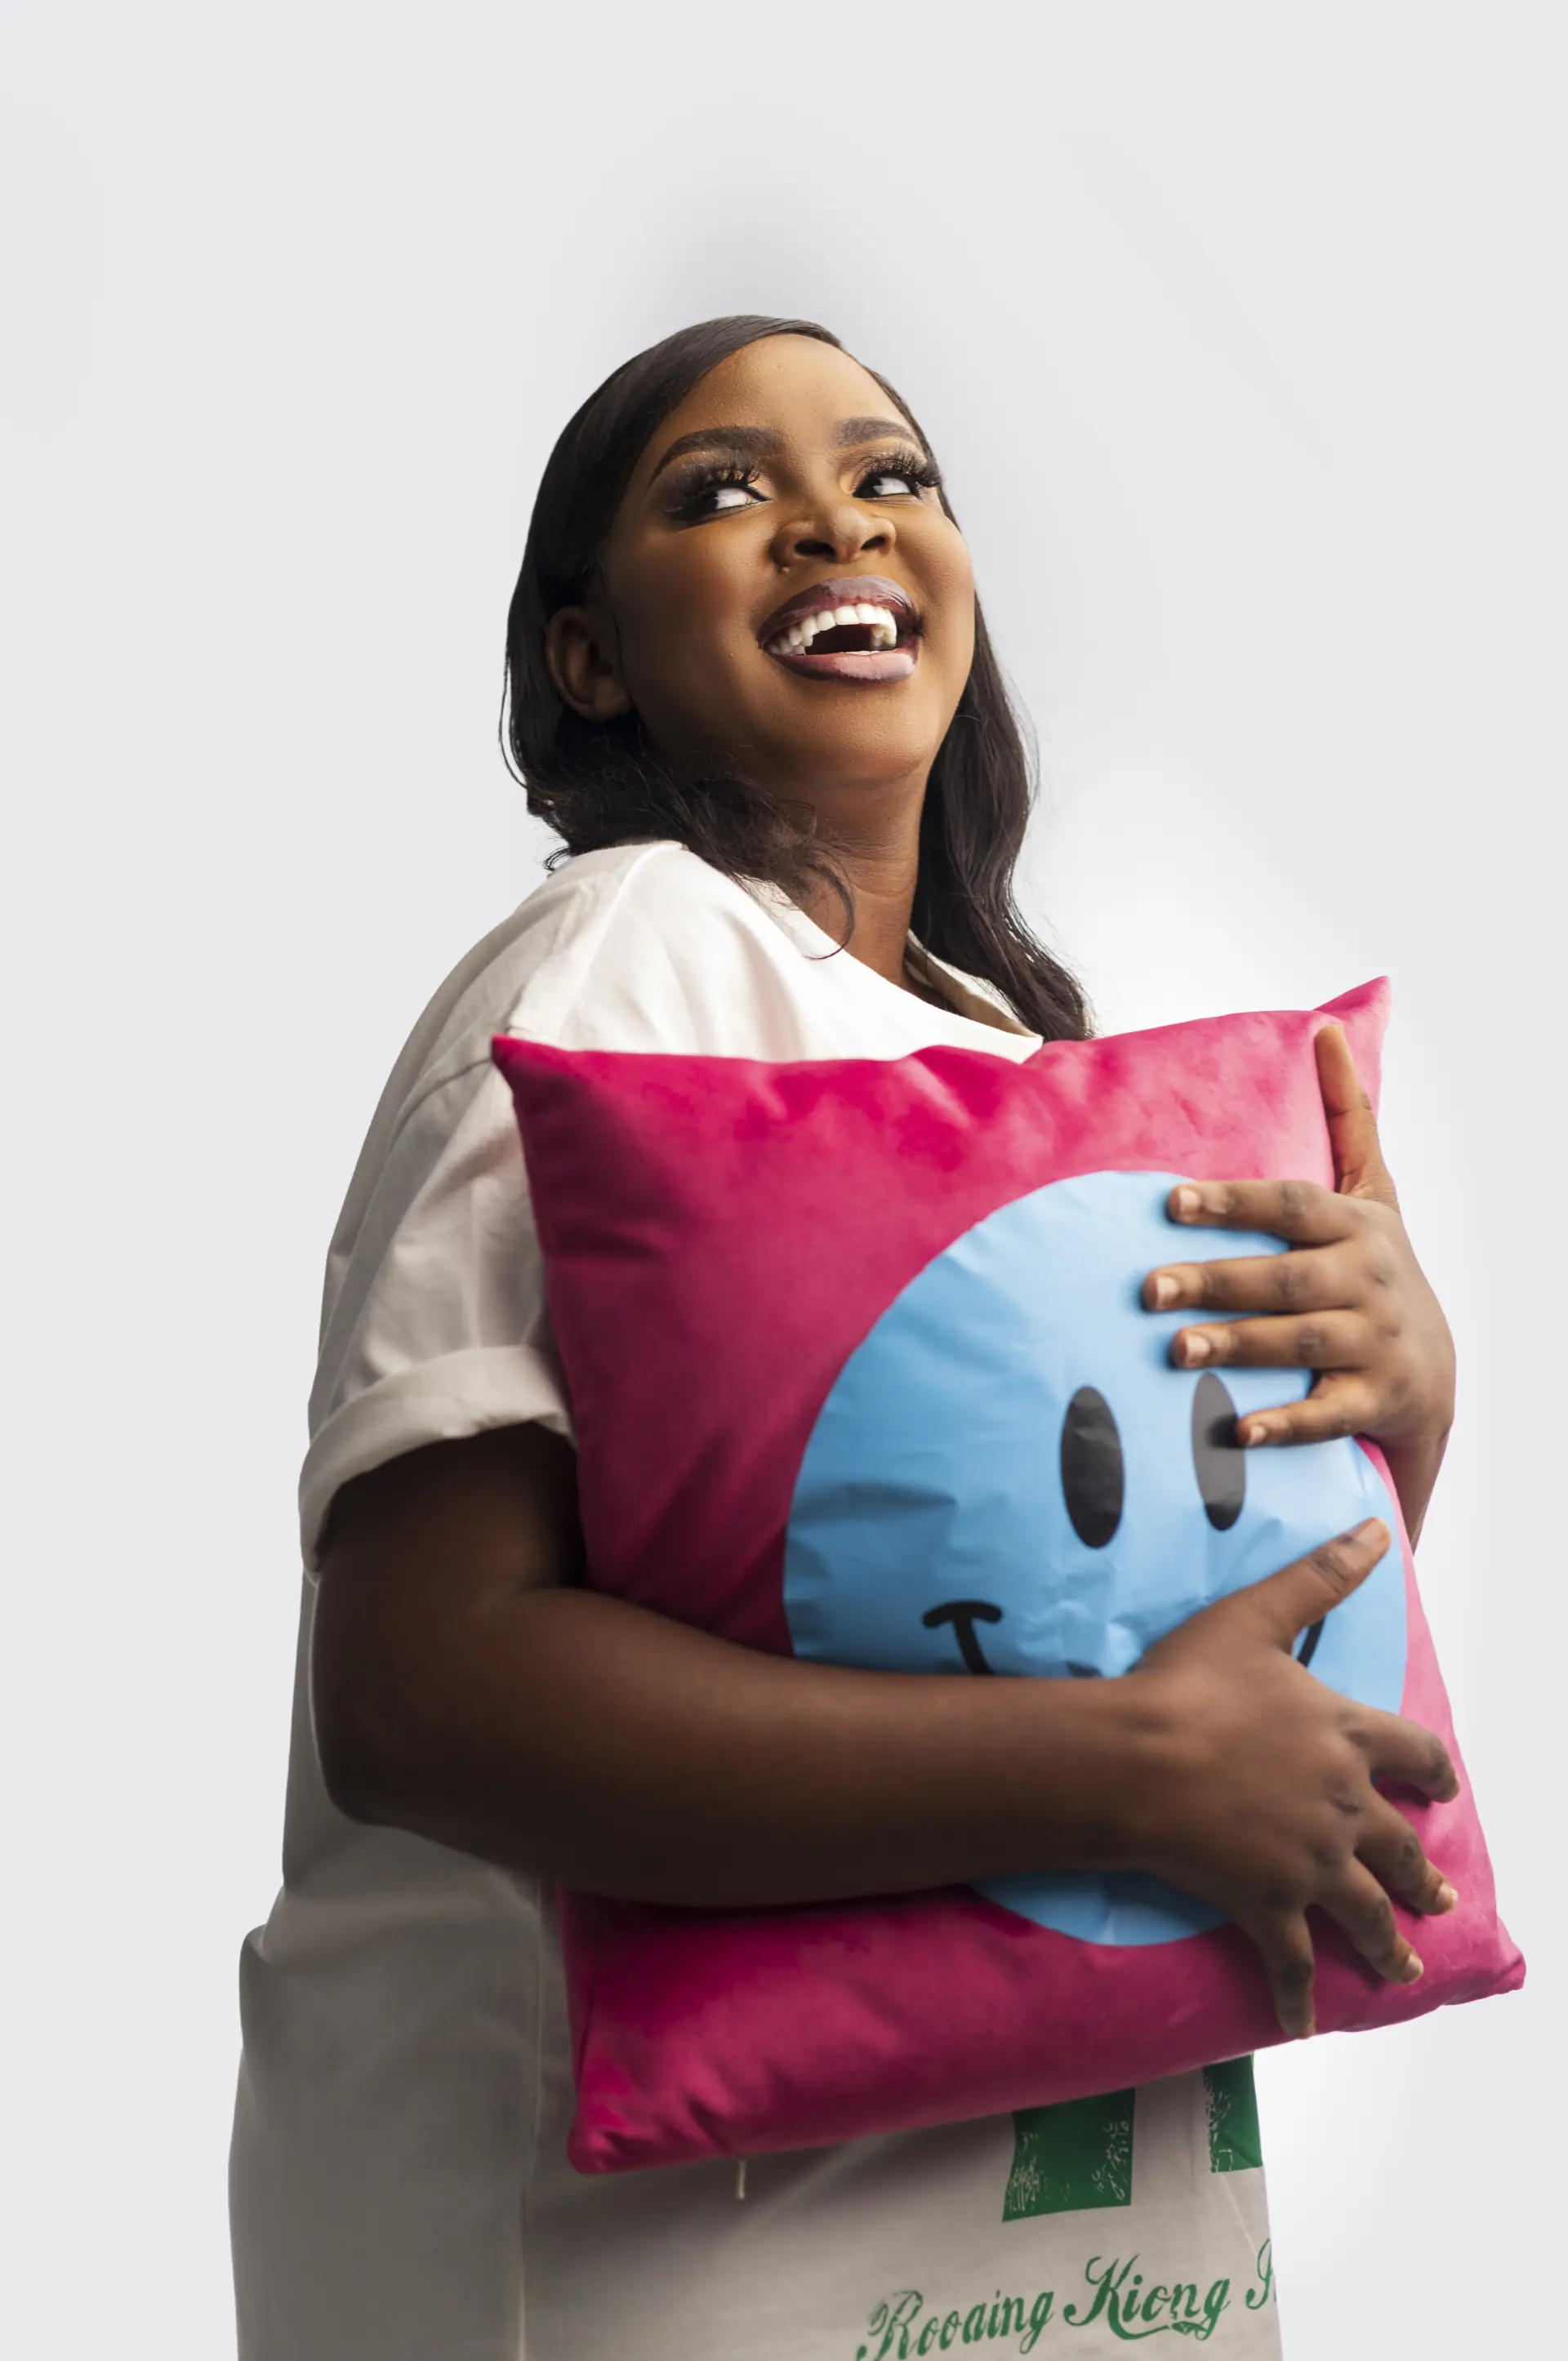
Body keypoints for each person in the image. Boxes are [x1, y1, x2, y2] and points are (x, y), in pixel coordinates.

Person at [231, 315, 1459, 2359]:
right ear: (589, 656)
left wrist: (1405, 1400)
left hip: (1068, 2260)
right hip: (673, 2277)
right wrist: (1121, 1770)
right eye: (723, 492)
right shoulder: (622, 968)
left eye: (895, 476)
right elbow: (422, 1689)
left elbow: (1200, 1646)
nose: (836, 520)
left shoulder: (1009, 1056)